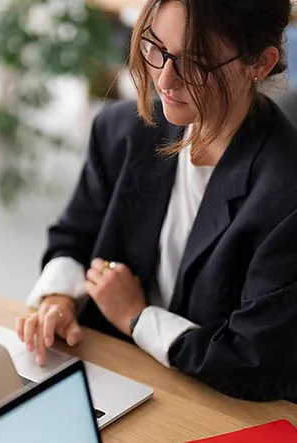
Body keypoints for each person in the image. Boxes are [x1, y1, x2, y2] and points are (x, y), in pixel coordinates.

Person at [15, 0, 297, 403]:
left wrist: (136, 316)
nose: (165, 79)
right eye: (156, 48)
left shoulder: (286, 194)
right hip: (114, 375)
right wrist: (59, 297)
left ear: (260, 63)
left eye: (196, 63)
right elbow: (73, 237)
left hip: (217, 403)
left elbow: (252, 360)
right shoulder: (121, 130)